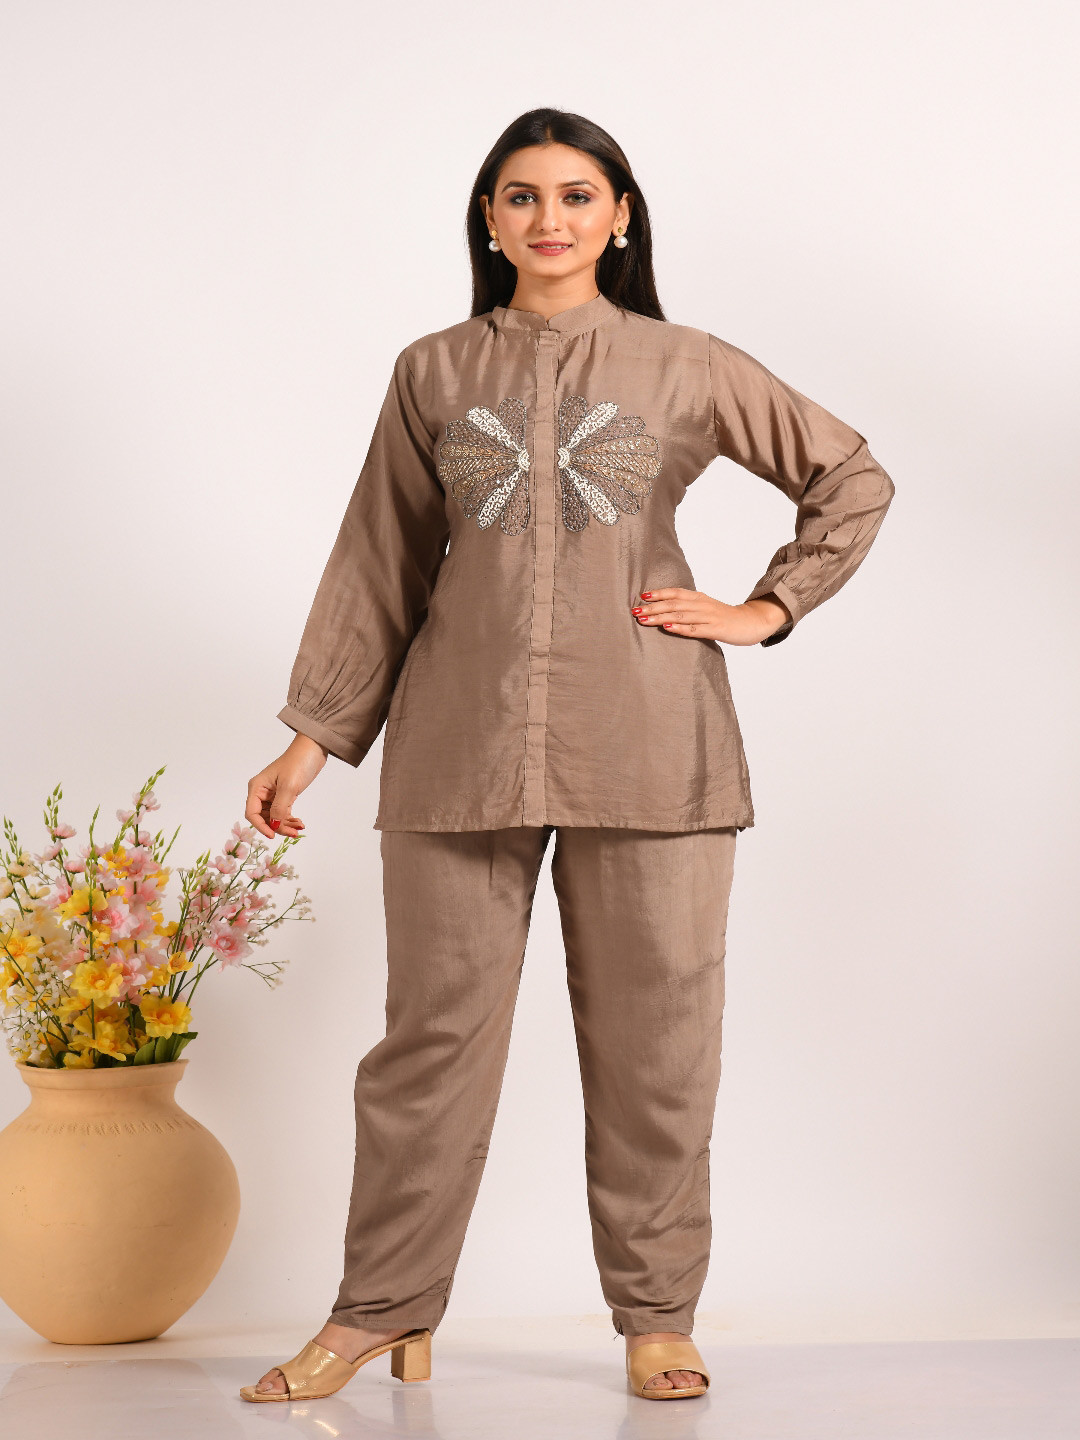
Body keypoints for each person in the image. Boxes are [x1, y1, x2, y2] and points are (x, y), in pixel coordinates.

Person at [239, 107, 895, 1405]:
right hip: (457, 742)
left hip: (650, 741)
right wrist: (313, 739)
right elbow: (380, 558)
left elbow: (851, 477)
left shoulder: (687, 364)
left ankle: (658, 1316)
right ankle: (378, 1312)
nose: (550, 218)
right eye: (523, 195)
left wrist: (766, 609)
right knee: (428, 1046)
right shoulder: (434, 372)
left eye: (577, 194)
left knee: (660, 1046)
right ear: (489, 219)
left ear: (620, 216)